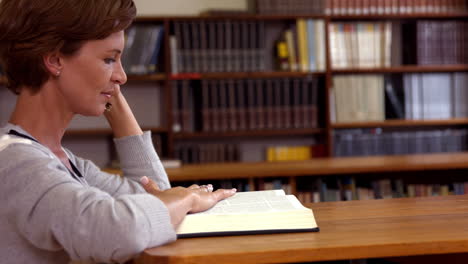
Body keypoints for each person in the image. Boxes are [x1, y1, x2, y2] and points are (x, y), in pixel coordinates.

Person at [0, 0, 236, 263]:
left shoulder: (67, 164)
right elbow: (120, 231)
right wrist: (189, 198)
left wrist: (113, 100)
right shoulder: (14, 162)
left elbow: (156, 196)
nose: (122, 76)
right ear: (55, 59)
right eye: (109, 59)